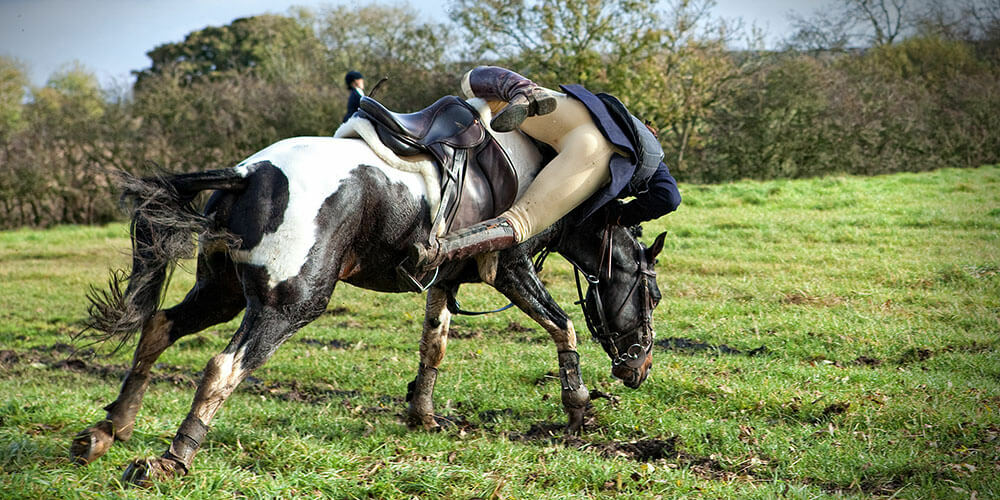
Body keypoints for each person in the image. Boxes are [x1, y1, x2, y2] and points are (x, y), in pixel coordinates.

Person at [407, 66, 681, 273]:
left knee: (472, 81)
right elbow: (669, 198)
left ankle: (524, 91)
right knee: (521, 222)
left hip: (583, 110)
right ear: (650, 138)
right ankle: (439, 251)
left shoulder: (619, 117)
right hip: (594, 151)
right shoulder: (655, 162)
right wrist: (620, 216)